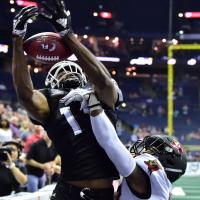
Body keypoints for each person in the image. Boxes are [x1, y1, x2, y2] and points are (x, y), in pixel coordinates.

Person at [12, 1, 122, 199]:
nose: (66, 72)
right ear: (51, 82)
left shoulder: (99, 93)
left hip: (102, 192)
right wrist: (17, 40)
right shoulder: (49, 100)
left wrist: (67, 34)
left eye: (71, 69)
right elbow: (25, 93)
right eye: (60, 72)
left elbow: (105, 82)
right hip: (68, 191)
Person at [74, 92, 187, 200]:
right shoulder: (157, 188)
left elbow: (109, 141)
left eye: (152, 149)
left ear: (165, 161)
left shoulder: (150, 174)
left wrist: (94, 104)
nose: (144, 150)